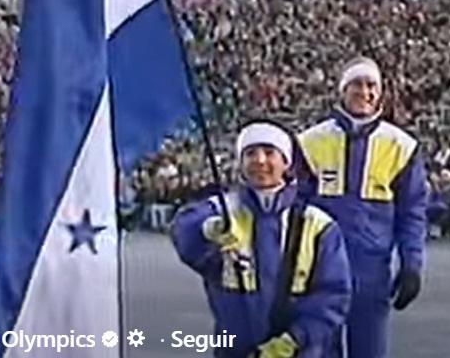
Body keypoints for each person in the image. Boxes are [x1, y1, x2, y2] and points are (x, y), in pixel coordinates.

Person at [171, 121, 351, 357]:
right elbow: (184, 229)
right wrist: (206, 229)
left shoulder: (318, 225)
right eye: (250, 153)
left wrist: (294, 340)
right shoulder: (223, 210)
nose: (260, 161)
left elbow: (333, 295)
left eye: (269, 152)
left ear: (286, 163)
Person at [297, 57, 427, 358]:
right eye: (356, 84)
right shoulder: (310, 142)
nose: (364, 92)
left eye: (372, 85)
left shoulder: (401, 146)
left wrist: (412, 266)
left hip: (371, 272)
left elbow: (412, 213)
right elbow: (294, 210)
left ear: (380, 93)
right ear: (342, 90)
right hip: (320, 272)